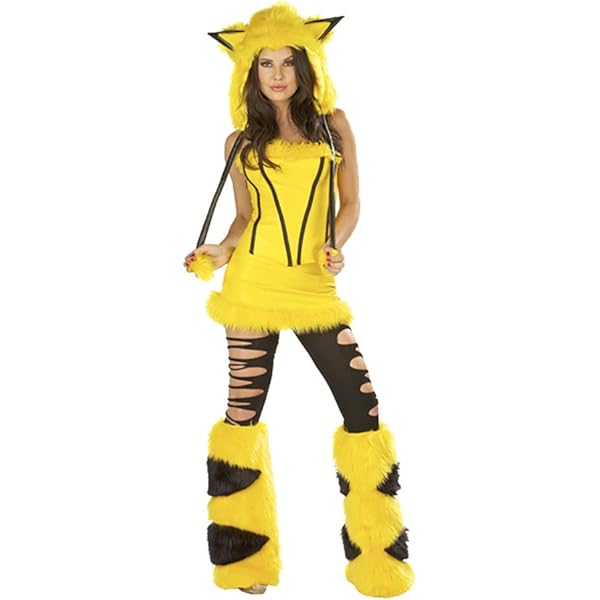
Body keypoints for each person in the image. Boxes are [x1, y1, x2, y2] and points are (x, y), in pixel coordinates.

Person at [183, 3, 415, 596]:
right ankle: (244, 563)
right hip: (251, 287)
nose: (278, 74)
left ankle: (378, 561)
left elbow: (351, 204)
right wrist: (217, 251)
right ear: (249, 70)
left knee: (363, 409)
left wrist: (336, 245)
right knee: (242, 414)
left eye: (288, 61)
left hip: (313, 288)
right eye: (266, 63)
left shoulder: (334, 126)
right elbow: (243, 219)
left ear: (307, 64)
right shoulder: (239, 141)